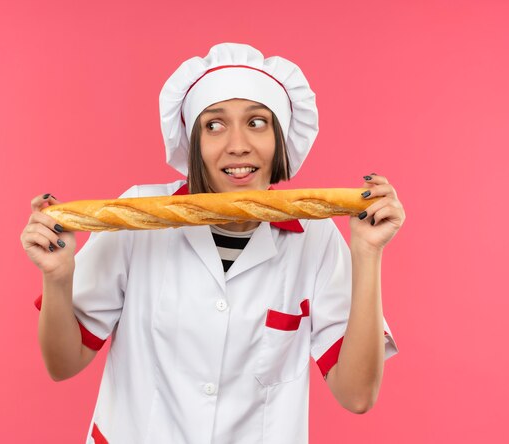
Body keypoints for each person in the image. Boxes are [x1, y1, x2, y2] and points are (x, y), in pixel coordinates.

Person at [21, 43, 406, 444]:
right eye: (215, 125)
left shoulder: (317, 236)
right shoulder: (134, 214)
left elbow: (358, 395)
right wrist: (58, 277)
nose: (237, 144)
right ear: (193, 143)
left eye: (257, 122)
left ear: (280, 137)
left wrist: (367, 253)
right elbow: (62, 364)